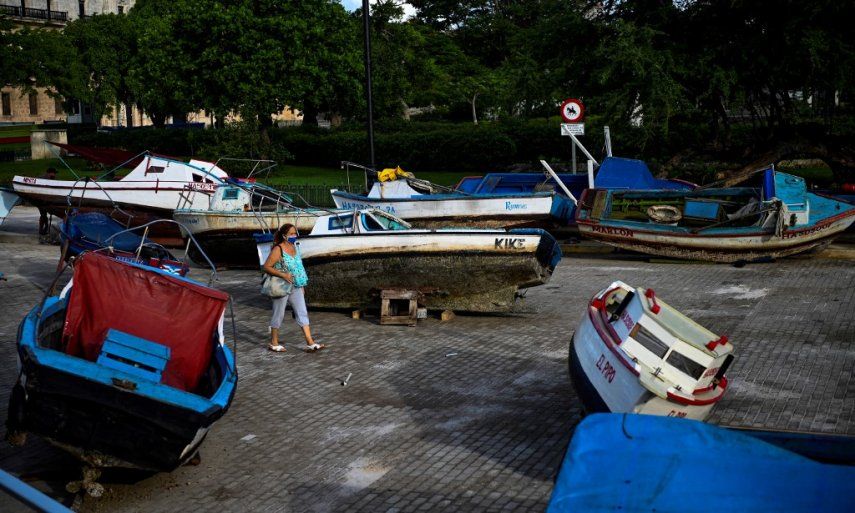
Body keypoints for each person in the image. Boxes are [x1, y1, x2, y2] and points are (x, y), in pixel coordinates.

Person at [262, 223, 325, 353]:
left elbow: (299, 267)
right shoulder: (278, 249)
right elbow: (267, 266)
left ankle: (310, 342)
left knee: (302, 312)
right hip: (282, 285)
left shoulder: (295, 247)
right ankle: (273, 342)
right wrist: (283, 274)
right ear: (284, 235)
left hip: (296, 285)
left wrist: (301, 285)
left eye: (295, 233)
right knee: (278, 314)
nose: (294, 235)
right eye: (291, 233)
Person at [38, 167, 57, 235]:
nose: (55, 175)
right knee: (43, 215)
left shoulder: (49, 178)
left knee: (44, 215)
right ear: (50, 173)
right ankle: (42, 229)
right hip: (41, 200)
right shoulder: (44, 178)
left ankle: (44, 228)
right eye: (54, 173)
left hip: (44, 200)